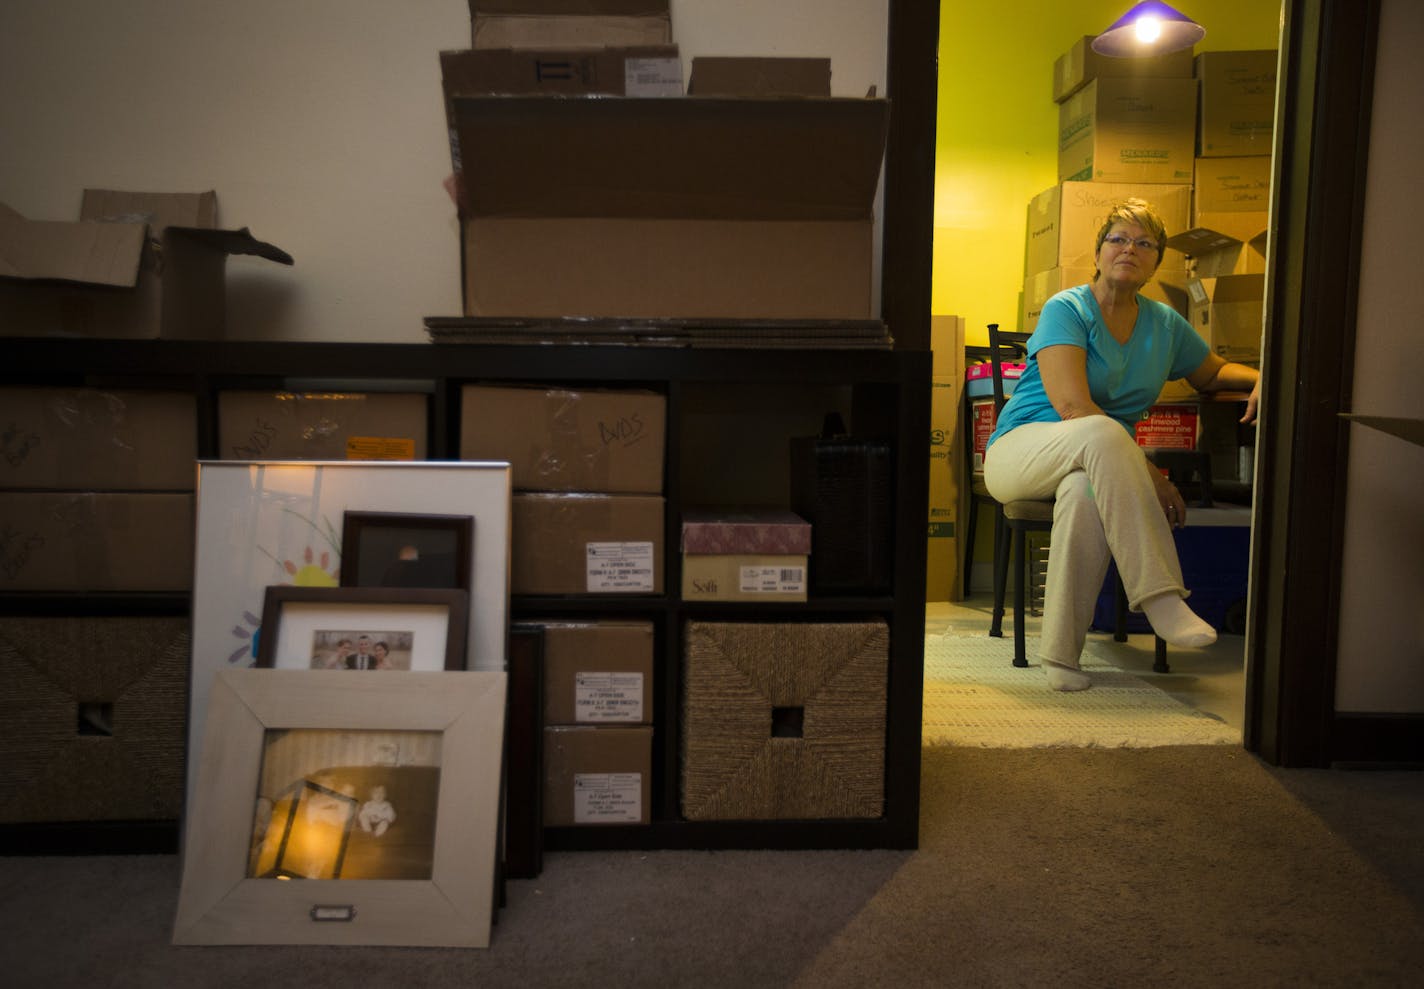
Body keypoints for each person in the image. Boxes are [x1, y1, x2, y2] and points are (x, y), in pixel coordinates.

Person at [984, 198, 1261, 692]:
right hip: (1021, 451)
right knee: (1104, 430)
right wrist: (1151, 478)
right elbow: (1074, 409)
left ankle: (1061, 659)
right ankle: (1161, 597)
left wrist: (1264, 376)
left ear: (1156, 262)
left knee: (1085, 495)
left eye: (1143, 243)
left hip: (1100, 464)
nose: (1128, 249)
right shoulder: (1067, 309)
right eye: (1117, 238)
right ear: (1097, 253)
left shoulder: (1165, 324)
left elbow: (1213, 372)